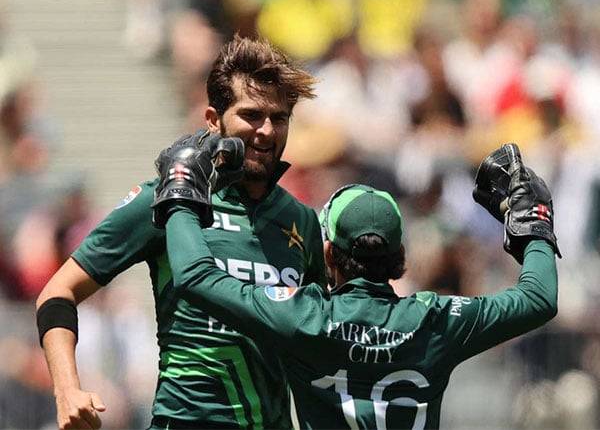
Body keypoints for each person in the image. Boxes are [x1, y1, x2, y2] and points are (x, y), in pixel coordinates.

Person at [156, 142, 560, 429]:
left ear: (328, 254)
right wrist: (533, 223)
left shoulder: (303, 316)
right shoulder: (436, 321)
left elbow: (195, 277)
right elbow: (538, 299)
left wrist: (181, 192)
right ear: (400, 256)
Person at [35, 35, 326, 430]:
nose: (267, 131)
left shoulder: (302, 222)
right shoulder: (168, 200)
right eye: (252, 115)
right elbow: (57, 292)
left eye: (279, 117)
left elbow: (316, 348)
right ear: (212, 119)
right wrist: (67, 390)